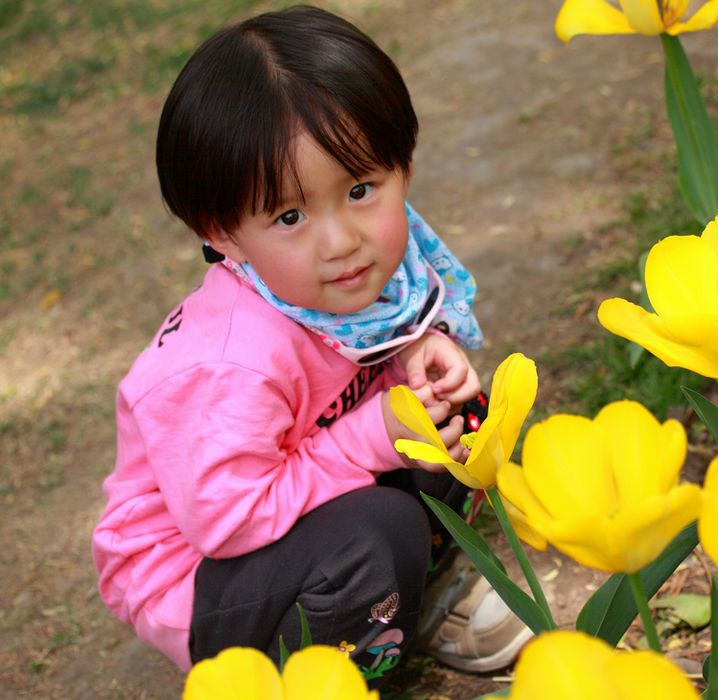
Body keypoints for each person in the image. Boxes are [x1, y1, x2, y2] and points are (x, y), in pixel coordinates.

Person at [91, 5, 531, 685]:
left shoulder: (362, 281)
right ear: (224, 231)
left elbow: (374, 377)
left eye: (360, 189)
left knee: (453, 419)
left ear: (402, 167)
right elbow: (228, 519)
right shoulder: (229, 364)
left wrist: (423, 348)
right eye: (290, 216)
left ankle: (409, 604)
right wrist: (370, 438)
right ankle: (311, 677)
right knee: (373, 530)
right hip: (206, 574)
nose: (340, 241)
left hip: (295, 495)